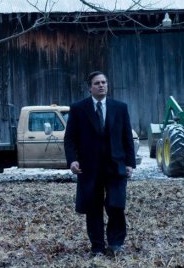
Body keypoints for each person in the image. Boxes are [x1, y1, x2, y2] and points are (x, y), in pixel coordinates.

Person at [64, 71, 135, 257]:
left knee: (116, 205)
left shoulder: (120, 108)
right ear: (90, 87)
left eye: (104, 82)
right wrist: (72, 160)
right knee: (93, 208)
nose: (101, 85)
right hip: (89, 168)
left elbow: (127, 136)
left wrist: (130, 163)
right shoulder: (79, 109)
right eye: (97, 83)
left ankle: (116, 243)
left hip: (115, 166)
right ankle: (97, 246)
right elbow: (70, 138)